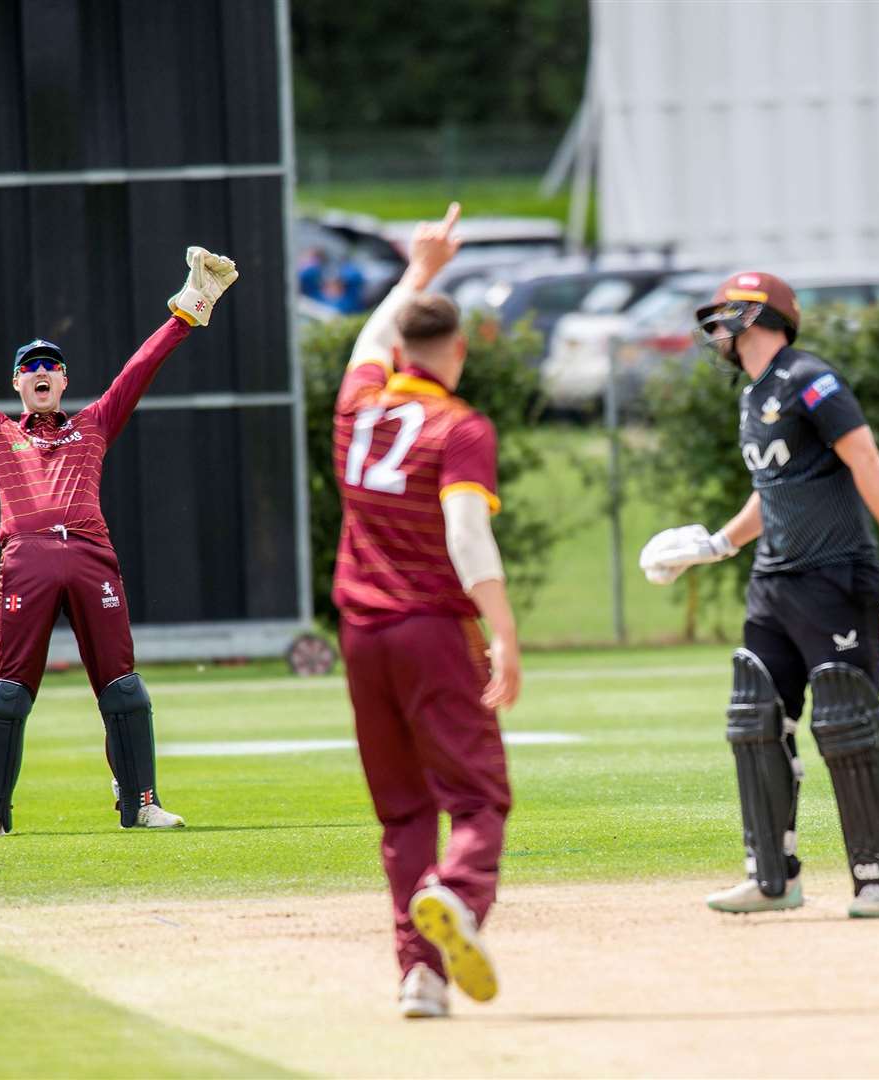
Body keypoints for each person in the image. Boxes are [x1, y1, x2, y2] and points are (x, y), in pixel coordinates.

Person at [0, 243, 238, 836]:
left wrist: (188, 309)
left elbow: (139, 370)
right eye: (30, 367)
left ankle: (141, 803)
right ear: (17, 384)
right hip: (26, 560)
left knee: (123, 688)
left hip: (90, 555)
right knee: (7, 693)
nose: (42, 373)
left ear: (64, 380)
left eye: (51, 366)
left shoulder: (94, 425)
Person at [639, 271, 879, 920]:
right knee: (754, 717)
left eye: (726, 315)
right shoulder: (754, 395)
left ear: (756, 317)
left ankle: (878, 879)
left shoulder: (811, 377)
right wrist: (716, 545)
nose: (716, 332)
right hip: (774, 579)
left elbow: (864, 458)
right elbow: (773, 490)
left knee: (845, 720)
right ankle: (771, 878)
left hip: (835, 574)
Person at [332, 204, 520, 1020]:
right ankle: (457, 899)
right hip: (433, 629)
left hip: (360, 635)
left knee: (403, 811)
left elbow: (366, 344)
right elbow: (465, 533)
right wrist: (505, 633)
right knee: (477, 801)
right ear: (461, 353)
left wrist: (419, 269)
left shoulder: (358, 405)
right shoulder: (459, 426)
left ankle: (420, 976)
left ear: (400, 352)